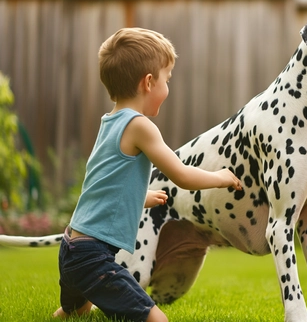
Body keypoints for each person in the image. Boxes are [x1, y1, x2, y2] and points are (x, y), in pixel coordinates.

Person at [53, 27, 243, 322]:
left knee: (75, 312)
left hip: (71, 249)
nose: (168, 88)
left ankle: (73, 306)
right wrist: (221, 177)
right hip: (93, 257)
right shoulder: (140, 126)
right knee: (157, 320)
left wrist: (140, 197)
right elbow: (182, 176)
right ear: (149, 82)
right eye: (168, 79)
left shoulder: (110, 122)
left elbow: (102, 189)